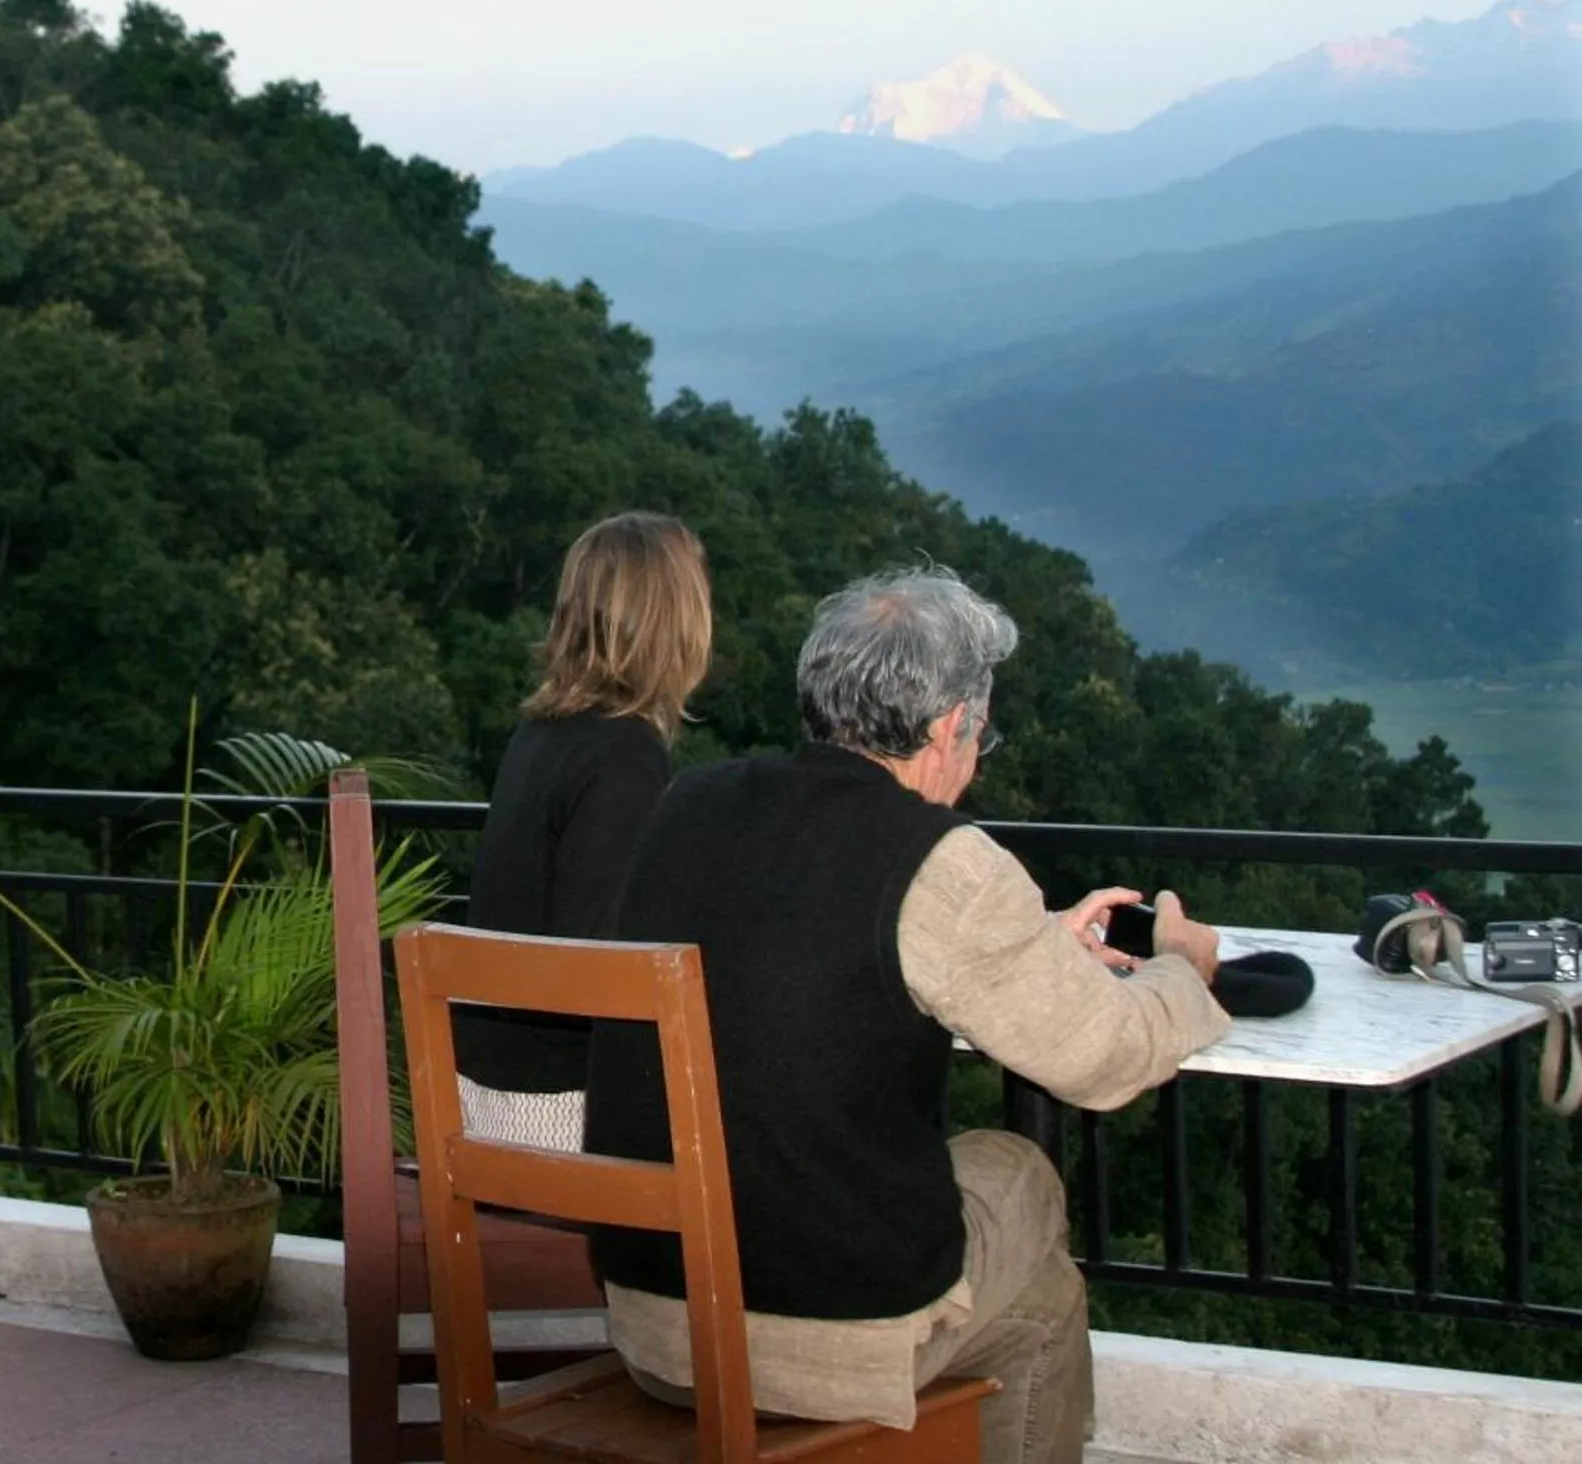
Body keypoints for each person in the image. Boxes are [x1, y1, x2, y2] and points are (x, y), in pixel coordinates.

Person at [581, 566, 1231, 1464]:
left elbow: (794, 934)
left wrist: (1034, 941)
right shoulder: (939, 860)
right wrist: (1179, 969)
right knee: (1019, 1179)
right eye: (982, 730)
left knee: (1029, 1292)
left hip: (652, 1319)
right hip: (814, 1339)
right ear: (950, 727)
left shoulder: (688, 803)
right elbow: (1107, 1060)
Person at [454, 512, 710, 1149]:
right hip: (554, 1112)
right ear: (673, 620)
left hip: (479, 1089)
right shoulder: (624, 757)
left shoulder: (540, 736)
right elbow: (598, 968)